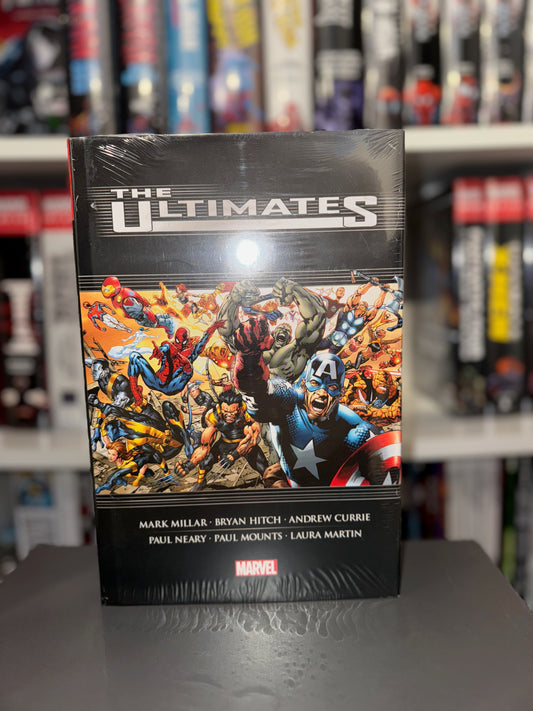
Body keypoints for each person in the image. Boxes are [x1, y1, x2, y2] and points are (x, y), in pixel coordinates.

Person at [231, 317, 376, 487]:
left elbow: (385, 458)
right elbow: (258, 395)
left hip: (331, 491)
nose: (322, 393)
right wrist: (248, 359)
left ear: (339, 393)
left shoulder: (354, 426)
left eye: (331, 387)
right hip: (292, 483)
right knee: (274, 481)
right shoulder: (288, 400)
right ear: (304, 385)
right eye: (315, 384)